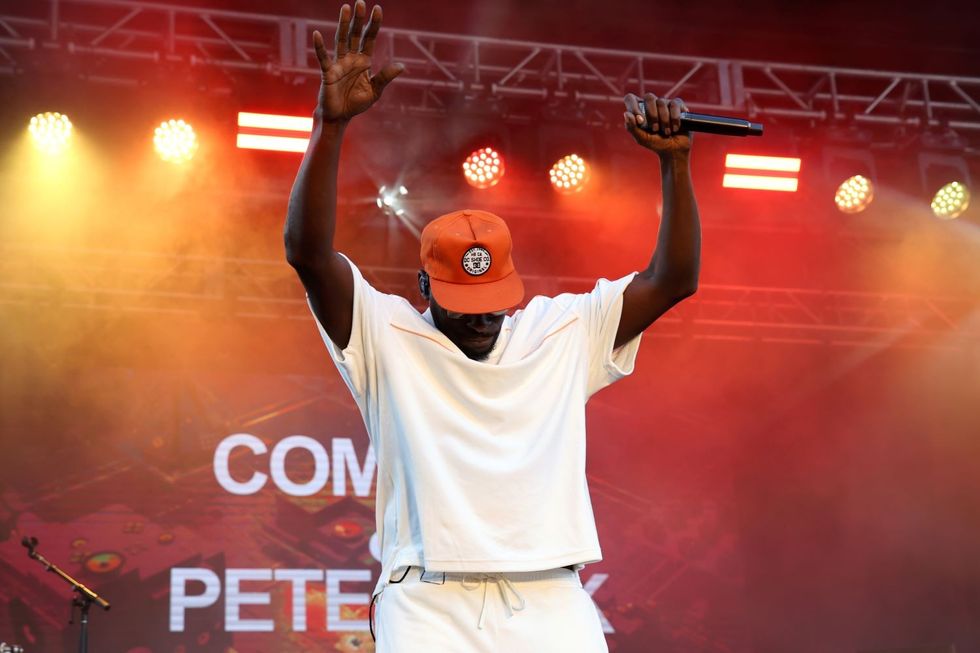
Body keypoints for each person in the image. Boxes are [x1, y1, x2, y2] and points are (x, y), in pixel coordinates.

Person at [284, 2, 700, 651]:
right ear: (423, 285)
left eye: (494, 298)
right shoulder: (384, 332)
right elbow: (308, 255)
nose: (482, 315)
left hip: (550, 594)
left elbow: (672, 280)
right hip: (427, 598)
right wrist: (329, 125)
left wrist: (674, 166)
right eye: (460, 298)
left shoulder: (561, 330)